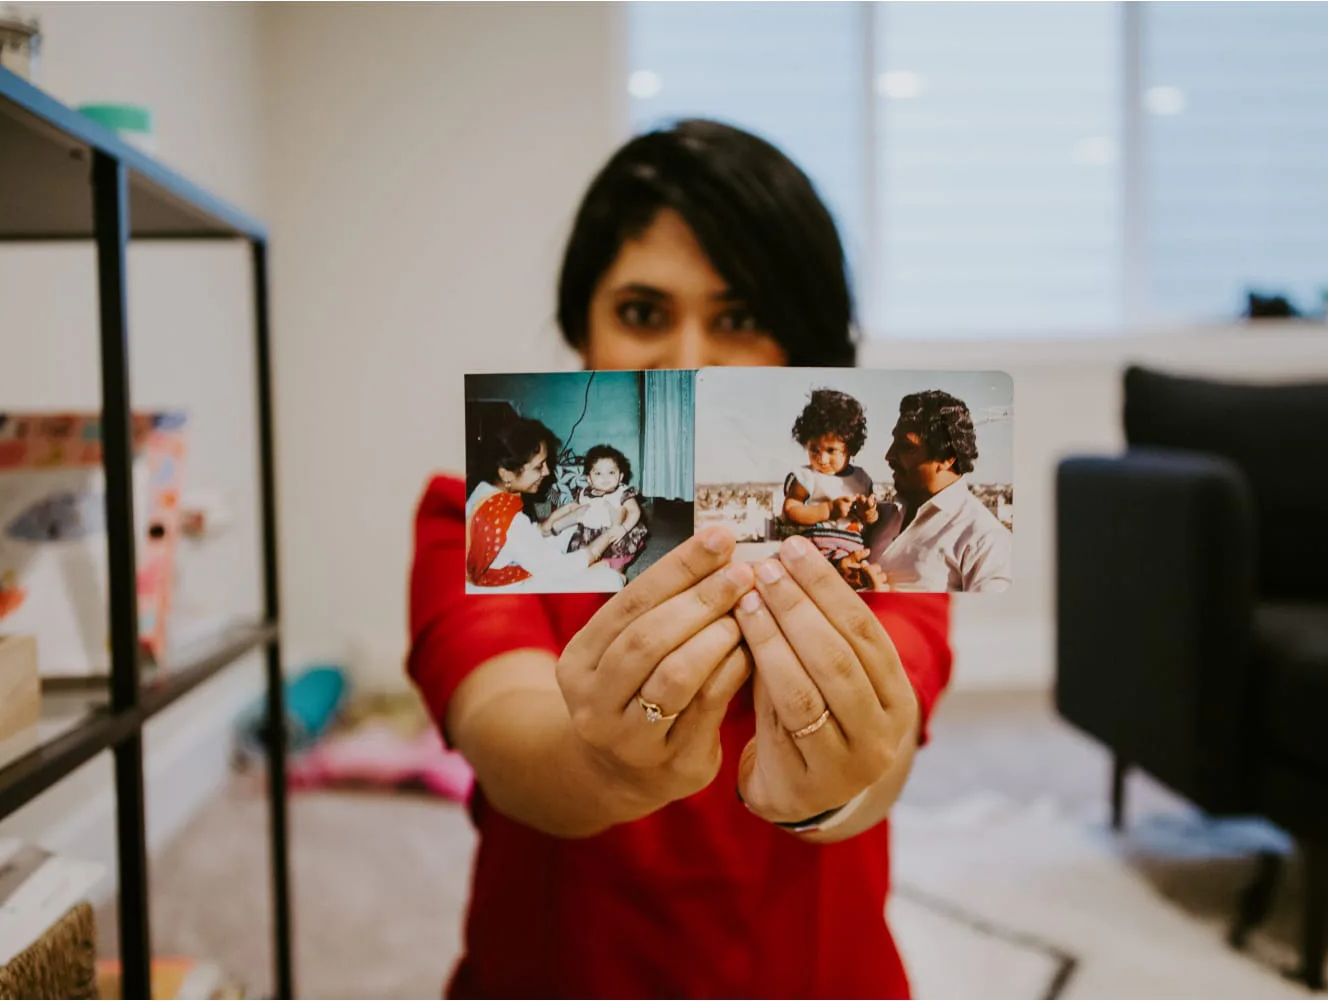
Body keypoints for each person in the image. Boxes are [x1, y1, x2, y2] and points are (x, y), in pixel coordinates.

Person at [406, 118, 953, 999]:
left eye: (738, 316)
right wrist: (602, 767)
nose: (690, 361)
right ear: (580, 331)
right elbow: (502, 727)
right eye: (641, 313)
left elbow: (886, 748)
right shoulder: (473, 518)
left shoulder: (885, 530)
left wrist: (838, 785)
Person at [865, 390, 1013, 593]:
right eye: (894, 443)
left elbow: (985, 622)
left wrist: (884, 605)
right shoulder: (877, 517)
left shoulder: (985, 541)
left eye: (905, 447)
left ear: (947, 458)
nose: (888, 456)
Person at [465, 414, 624, 594]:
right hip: (500, 591)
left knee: (569, 528)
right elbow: (558, 569)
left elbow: (517, 539)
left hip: (496, 570)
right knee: (612, 579)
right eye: (539, 466)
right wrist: (600, 546)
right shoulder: (508, 519)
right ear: (506, 474)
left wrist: (549, 524)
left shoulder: (484, 491)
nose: (547, 472)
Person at [779, 388, 881, 586]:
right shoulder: (807, 477)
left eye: (831, 450)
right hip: (816, 550)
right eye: (814, 449)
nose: (822, 459)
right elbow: (790, 511)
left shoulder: (861, 479)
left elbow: (872, 520)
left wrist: (868, 513)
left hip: (851, 550)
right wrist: (827, 510)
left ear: (850, 447)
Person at [543, 443, 650, 572]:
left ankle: (616, 578)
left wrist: (623, 529)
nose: (605, 477)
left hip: (615, 534)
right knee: (586, 563)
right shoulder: (583, 493)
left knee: (615, 564)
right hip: (589, 534)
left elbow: (634, 512)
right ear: (589, 479)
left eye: (611, 472)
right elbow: (576, 510)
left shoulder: (622, 492)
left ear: (620, 476)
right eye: (598, 473)